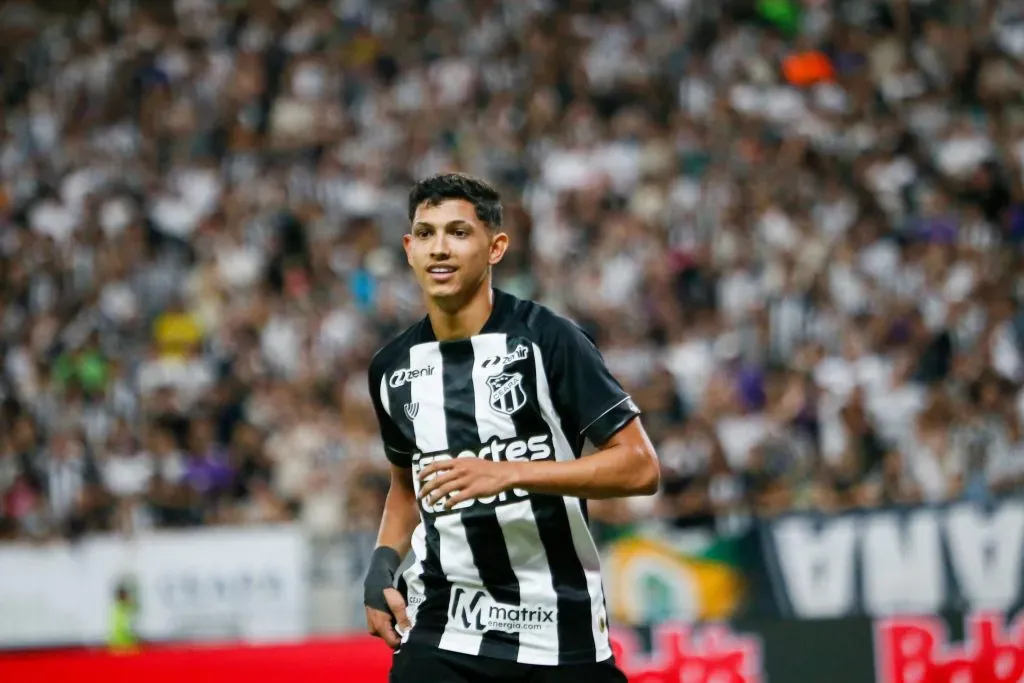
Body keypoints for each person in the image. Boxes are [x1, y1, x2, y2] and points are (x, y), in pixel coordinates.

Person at [363, 173, 660, 682]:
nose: (440, 248)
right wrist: (381, 565)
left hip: (558, 631)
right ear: (409, 249)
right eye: (426, 234)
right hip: (444, 626)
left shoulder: (550, 341)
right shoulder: (391, 368)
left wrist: (510, 473)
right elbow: (406, 487)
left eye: (458, 233)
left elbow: (639, 467)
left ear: (495, 247)